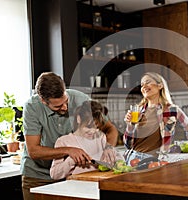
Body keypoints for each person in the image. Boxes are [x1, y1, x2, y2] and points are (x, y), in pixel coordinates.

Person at [20, 72, 118, 200]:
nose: (65, 107)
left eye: (66, 101)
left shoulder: (81, 99)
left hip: (71, 178)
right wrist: (69, 151)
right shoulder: (32, 107)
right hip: (37, 177)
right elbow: (34, 151)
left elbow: (110, 129)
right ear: (43, 101)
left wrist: (108, 148)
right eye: (58, 106)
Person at [123, 72, 188, 164]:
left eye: (148, 82)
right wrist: (130, 125)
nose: (144, 86)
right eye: (142, 85)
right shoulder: (137, 111)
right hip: (133, 159)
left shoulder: (172, 110)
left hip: (154, 161)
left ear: (160, 85)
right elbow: (127, 145)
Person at [50, 100, 124, 180]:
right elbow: (54, 175)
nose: (93, 131)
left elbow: (120, 160)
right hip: (76, 188)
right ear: (79, 119)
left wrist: (112, 155)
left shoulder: (100, 137)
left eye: (97, 128)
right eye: (89, 127)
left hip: (98, 185)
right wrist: (71, 161)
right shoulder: (63, 141)